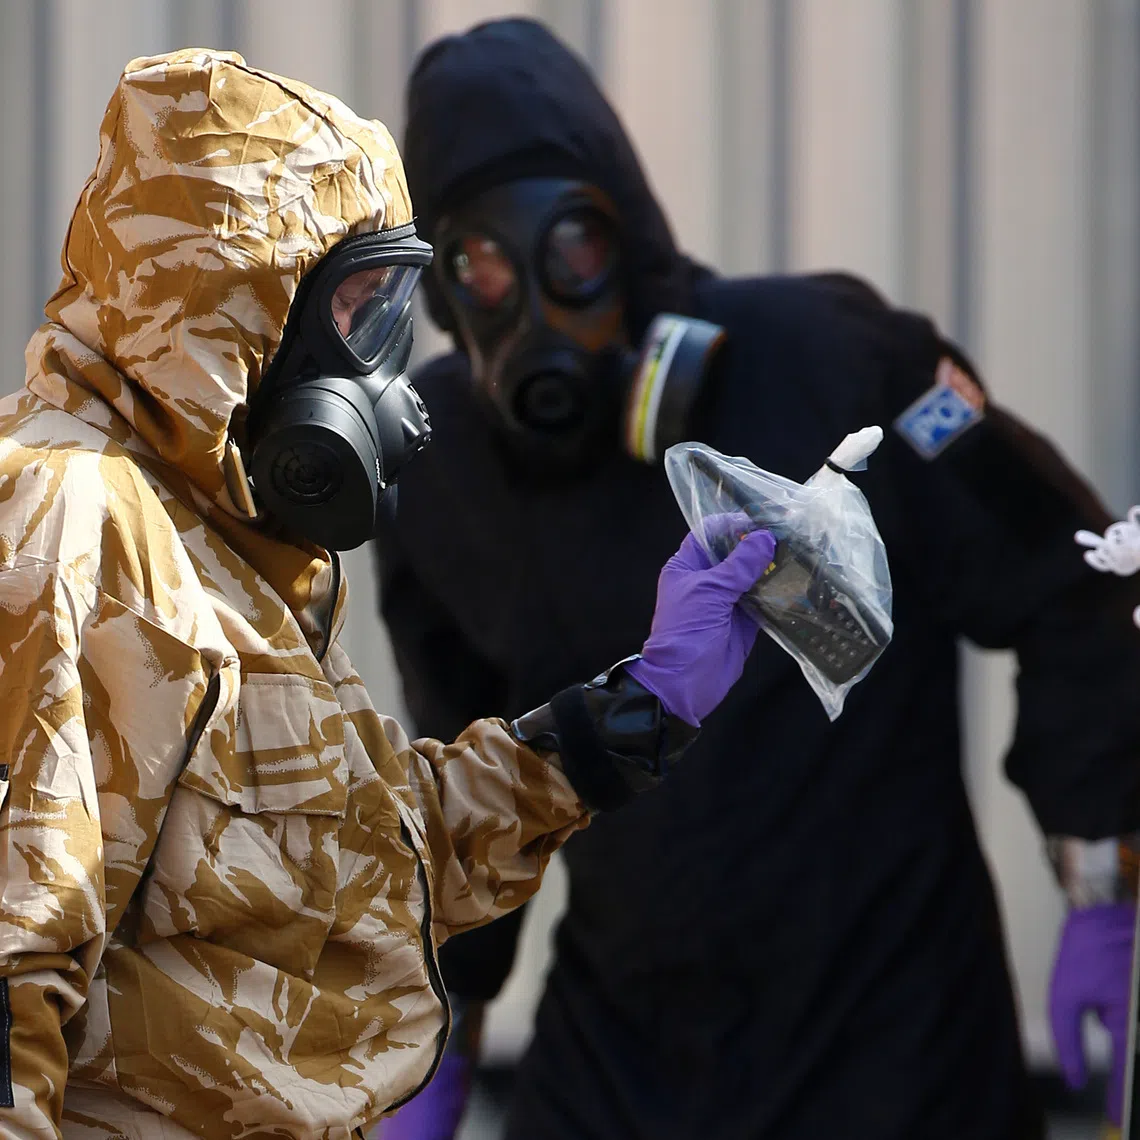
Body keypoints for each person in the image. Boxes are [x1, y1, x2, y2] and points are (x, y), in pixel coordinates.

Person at [372, 18, 1140, 1140]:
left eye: (570, 247)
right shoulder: (441, 476)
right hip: (621, 1072)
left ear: (630, 240)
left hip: (896, 1059)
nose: (529, 300)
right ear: (440, 294)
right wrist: (442, 1030)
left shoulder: (840, 362)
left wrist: (1104, 878)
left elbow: (1071, 582)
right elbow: (470, 786)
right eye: (478, 265)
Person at [0, 48, 779, 1139]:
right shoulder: (69, 523)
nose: (386, 375)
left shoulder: (228, 550)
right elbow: (15, 953)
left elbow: (374, 845)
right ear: (234, 308)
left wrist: (636, 711)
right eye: (358, 313)